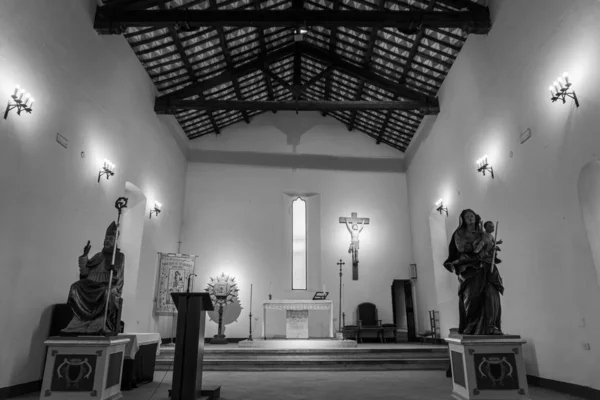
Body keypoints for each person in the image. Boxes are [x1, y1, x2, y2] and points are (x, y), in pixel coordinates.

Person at [443, 210, 503, 335]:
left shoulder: (482, 232)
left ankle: (491, 325)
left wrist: (492, 249)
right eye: (467, 217)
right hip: (469, 268)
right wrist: (475, 247)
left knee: (491, 295)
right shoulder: (459, 233)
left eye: (472, 216)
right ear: (463, 220)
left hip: (486, 266)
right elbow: (461, 248)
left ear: (476, 218)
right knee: (472, 296)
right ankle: (471, 324)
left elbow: (489, 244)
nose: (470, 218)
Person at [61, 221, 125, 335]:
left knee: (107, 292)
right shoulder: (98, 256)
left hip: (106, 284)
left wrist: (114, 270)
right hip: (91, 283)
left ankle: (100, 321)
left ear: (115, 242)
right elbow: (85, 271)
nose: (107, 241)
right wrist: (84, 257)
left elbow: (118, 276)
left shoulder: (119, 256)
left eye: (110, 239)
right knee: (75, 287)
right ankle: (79, 320)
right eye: (106, 239)